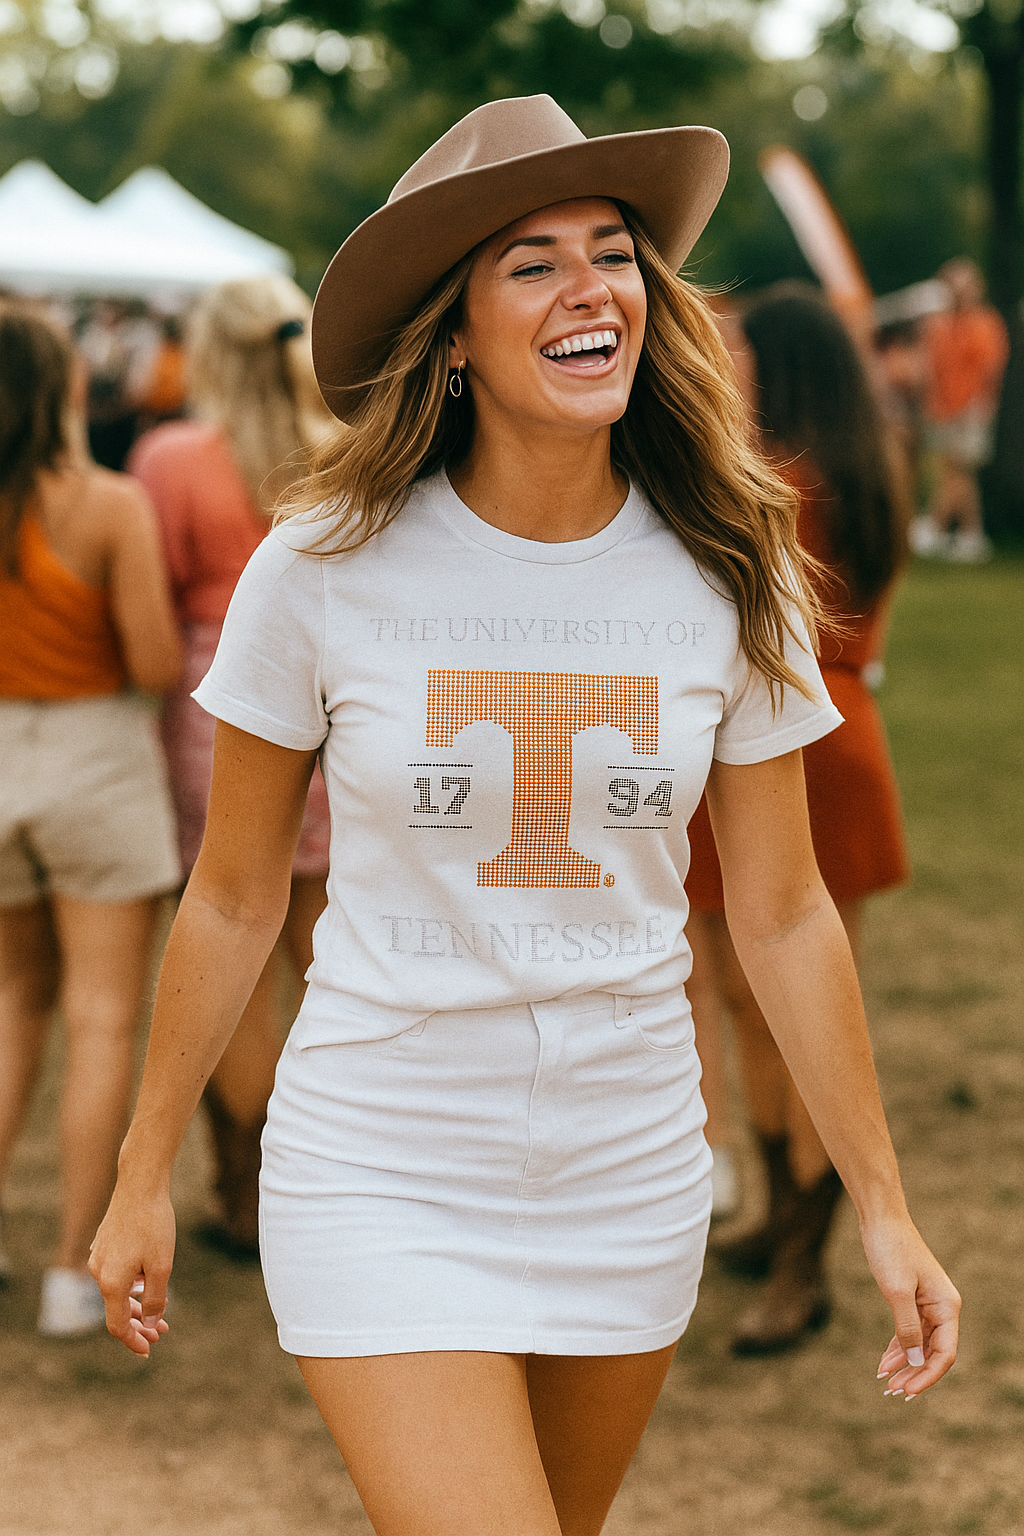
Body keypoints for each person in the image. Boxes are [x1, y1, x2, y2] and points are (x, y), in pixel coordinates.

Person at [91, 98, 959, 1536]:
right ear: (452, 332)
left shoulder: (729, 570)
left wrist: (880, 1201)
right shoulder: (322, 567)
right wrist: (141, 1179)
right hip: (382, 1160)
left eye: (610, 252)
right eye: (532, 262)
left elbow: (785, 908)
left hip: (628, 1169)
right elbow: (238, 895)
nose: (588, 288)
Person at [686, 282, 913, 1355]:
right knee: (798, 1007)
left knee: (767, 1009)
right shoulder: (872, 471)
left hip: (774, 743)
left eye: (739, 350)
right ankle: (787, 1219)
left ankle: (800, 1255)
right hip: (845, 729)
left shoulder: (765, 482)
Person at [128, 276, 334, 1257]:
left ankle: (247, 1192)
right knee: (331, 958)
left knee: (235, 958)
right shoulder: (343, 453)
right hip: (338, 715)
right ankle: (344, 1176)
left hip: (223, 716)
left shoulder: (174, 459)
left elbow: (155, 596)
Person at [0, 299, 181, 1335]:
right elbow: (156, 664)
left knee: (13, 1001)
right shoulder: (108, 507)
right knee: (103, 1018)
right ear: (63, 387)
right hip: (94, 757)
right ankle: (73, 1274)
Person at [911, 258, 1009, 562]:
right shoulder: (938, 325)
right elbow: (931, 368)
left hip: (971, 409)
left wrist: (978, 407)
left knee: (957, 466)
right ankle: (971, 535)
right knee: (958, 471)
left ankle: (933, 526)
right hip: (944, 408)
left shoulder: (985, 323)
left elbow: (989, 371)